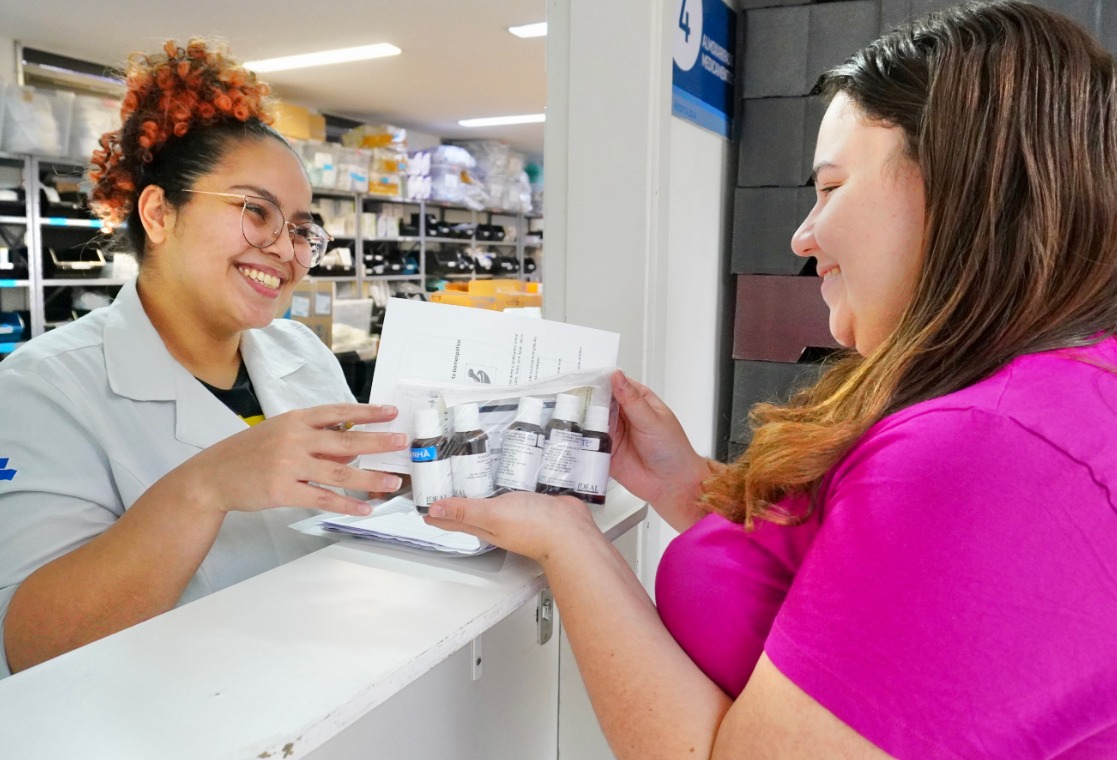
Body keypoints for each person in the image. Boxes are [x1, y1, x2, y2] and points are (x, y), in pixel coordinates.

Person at [425, 2, 1117, 757]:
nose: (800, 236)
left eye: (829, 187)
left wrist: (570, 543)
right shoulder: (1038, 395)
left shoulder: (991, 454)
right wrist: (685, 486)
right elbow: (859, 596)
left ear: (960, 188)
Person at [0, 40, 407, 678]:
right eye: (255, 211)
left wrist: (405, 490)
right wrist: (206, 488)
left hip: (321, 691)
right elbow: (30, 648)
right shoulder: (43, 388)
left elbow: (346, 532)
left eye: (301, 229)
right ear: (160, 213)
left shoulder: (302, 354)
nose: (286, 249)